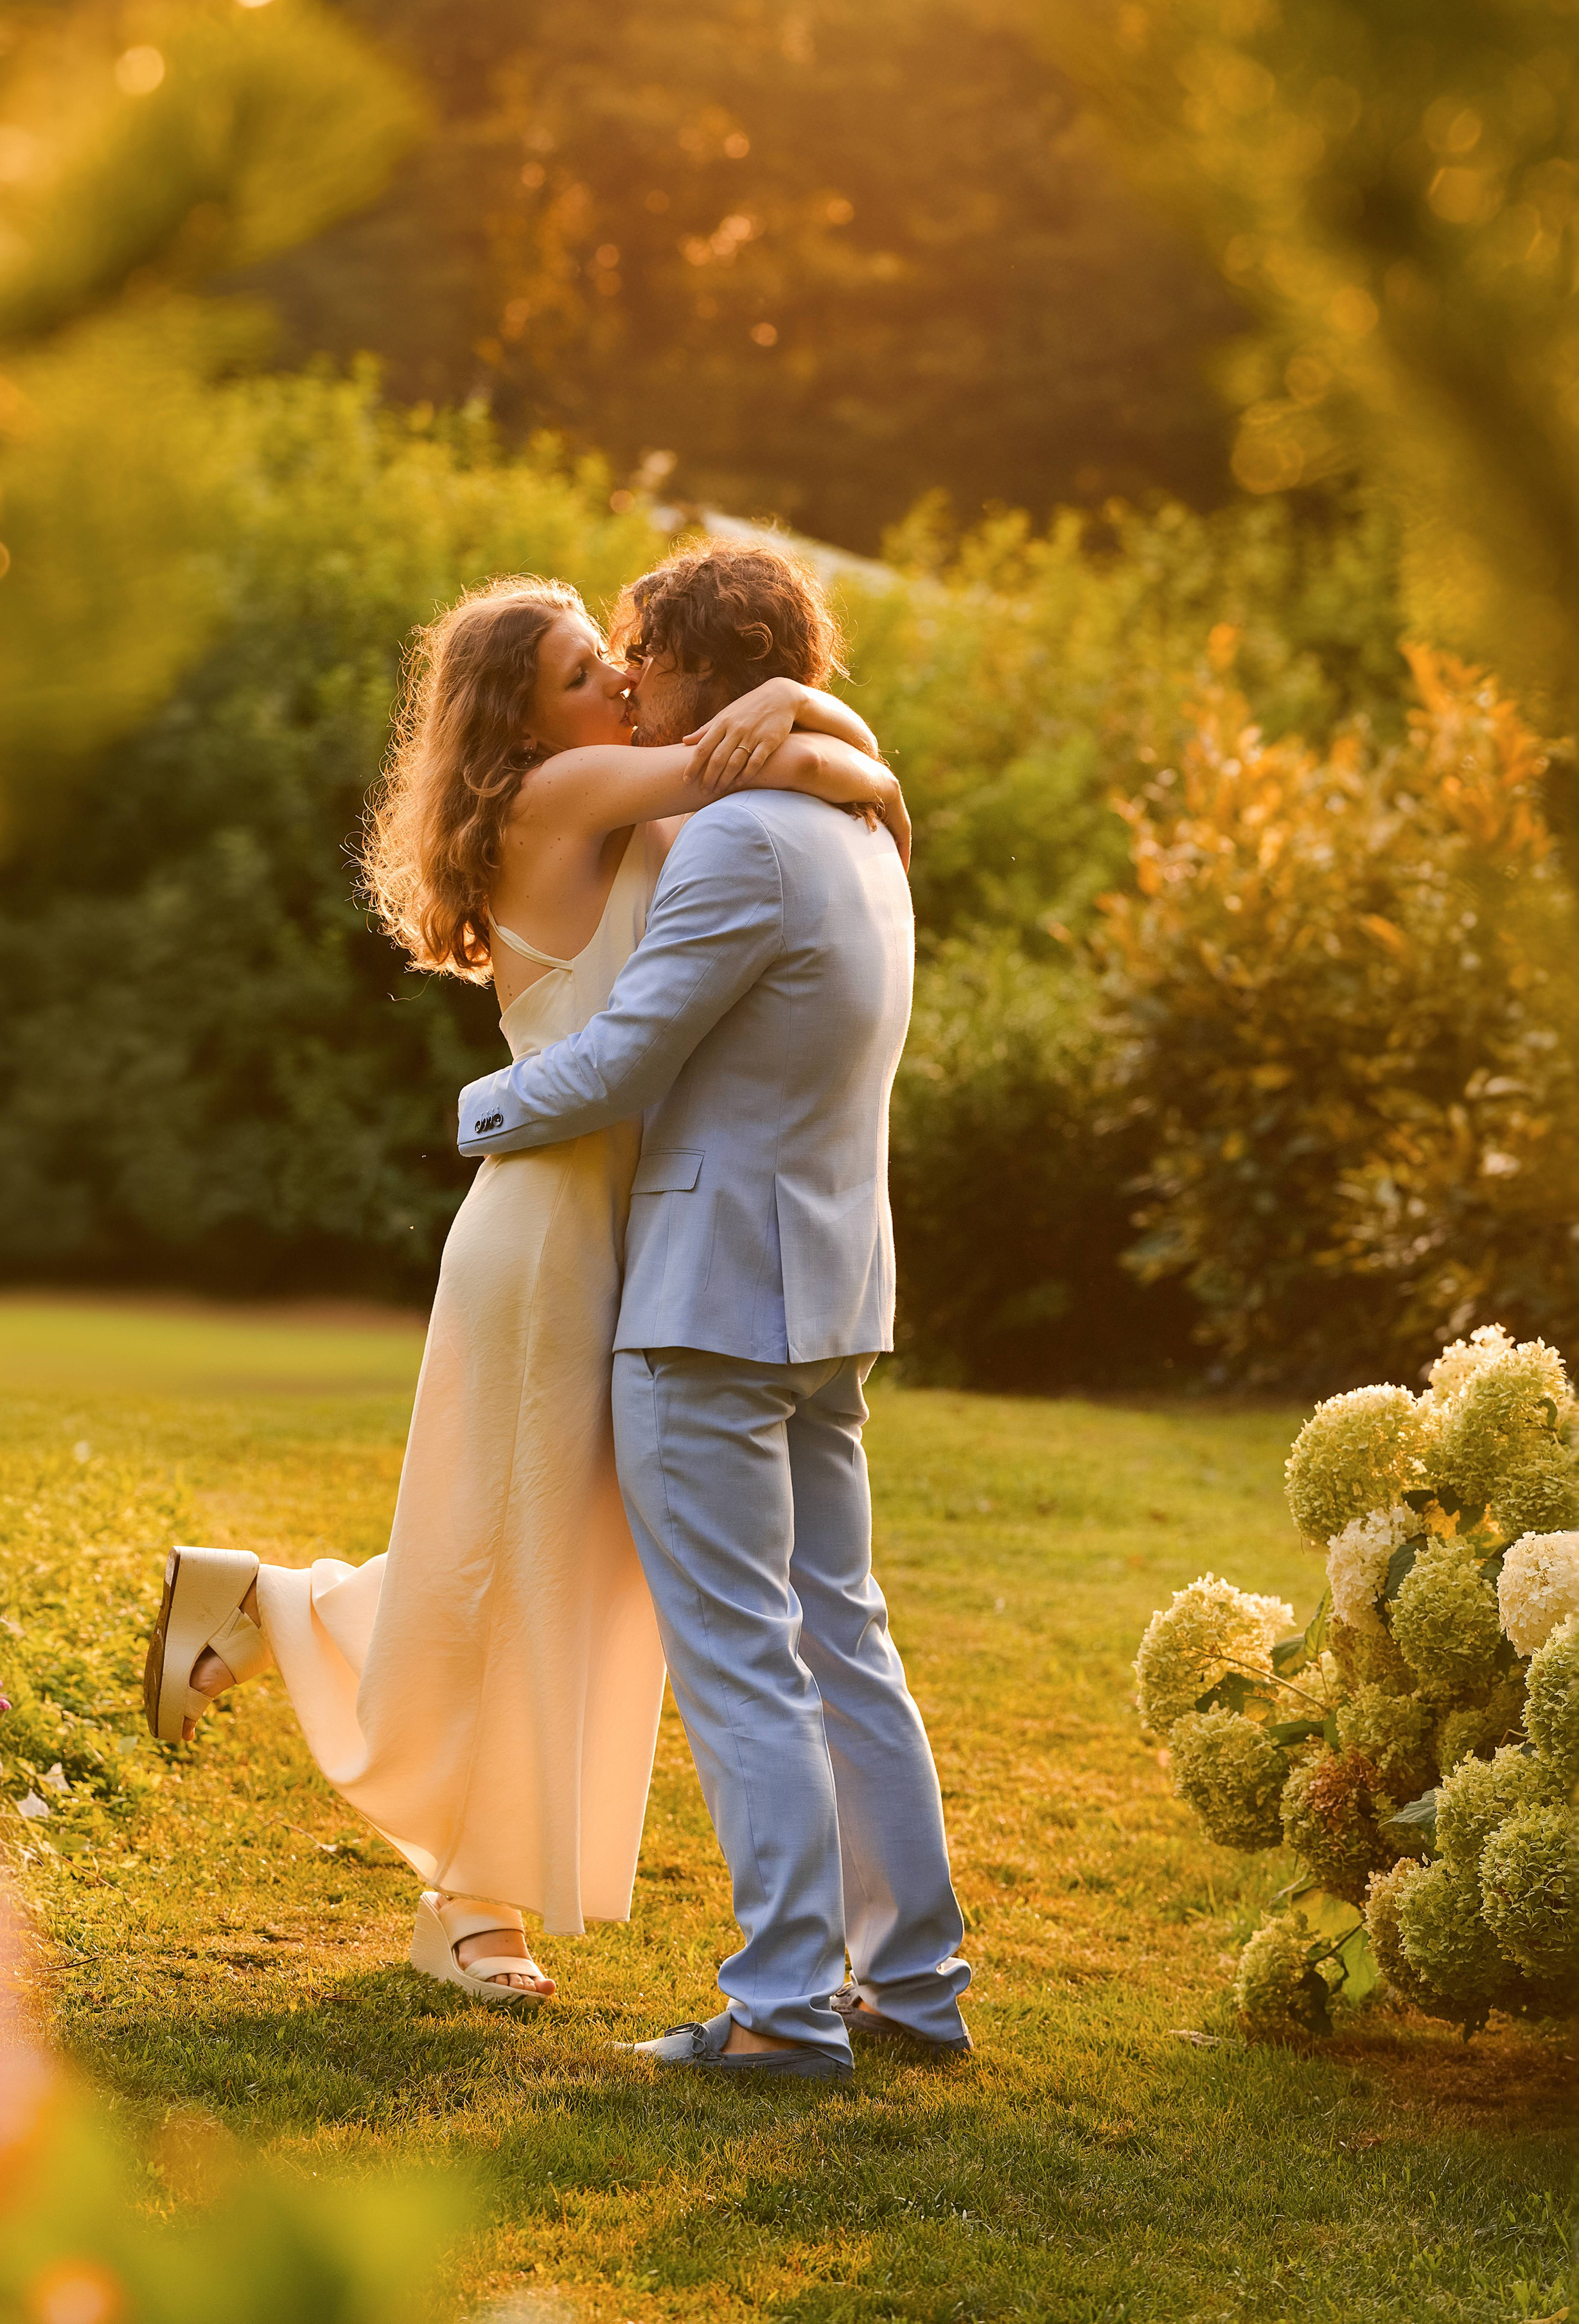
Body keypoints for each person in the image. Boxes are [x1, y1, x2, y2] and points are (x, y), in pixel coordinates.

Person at [142, 561, 907, 2009]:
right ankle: (464, 1895)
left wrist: (815, 727)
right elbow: (811, 762)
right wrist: (815, 714)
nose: (618, 684)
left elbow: (800, 773)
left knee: (563, 1561)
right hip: (552, 1226)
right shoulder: (559, 801)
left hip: (641, 1226)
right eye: (580, 676)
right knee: (518, 1555)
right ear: (522, 728)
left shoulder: (636, 803)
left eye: (611, 667)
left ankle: (274, 1612)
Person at [456, 536, 971, 2076]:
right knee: (845, 1640)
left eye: (641, 655)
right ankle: (919, 1984)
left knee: (744, 1657)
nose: (629, 681)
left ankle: (786, 2010)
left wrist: (474, 1113)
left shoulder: (745, 839)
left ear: (689, 665)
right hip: (831, 1291)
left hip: (705, 1305)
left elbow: (619, 1064)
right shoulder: (861, 833)